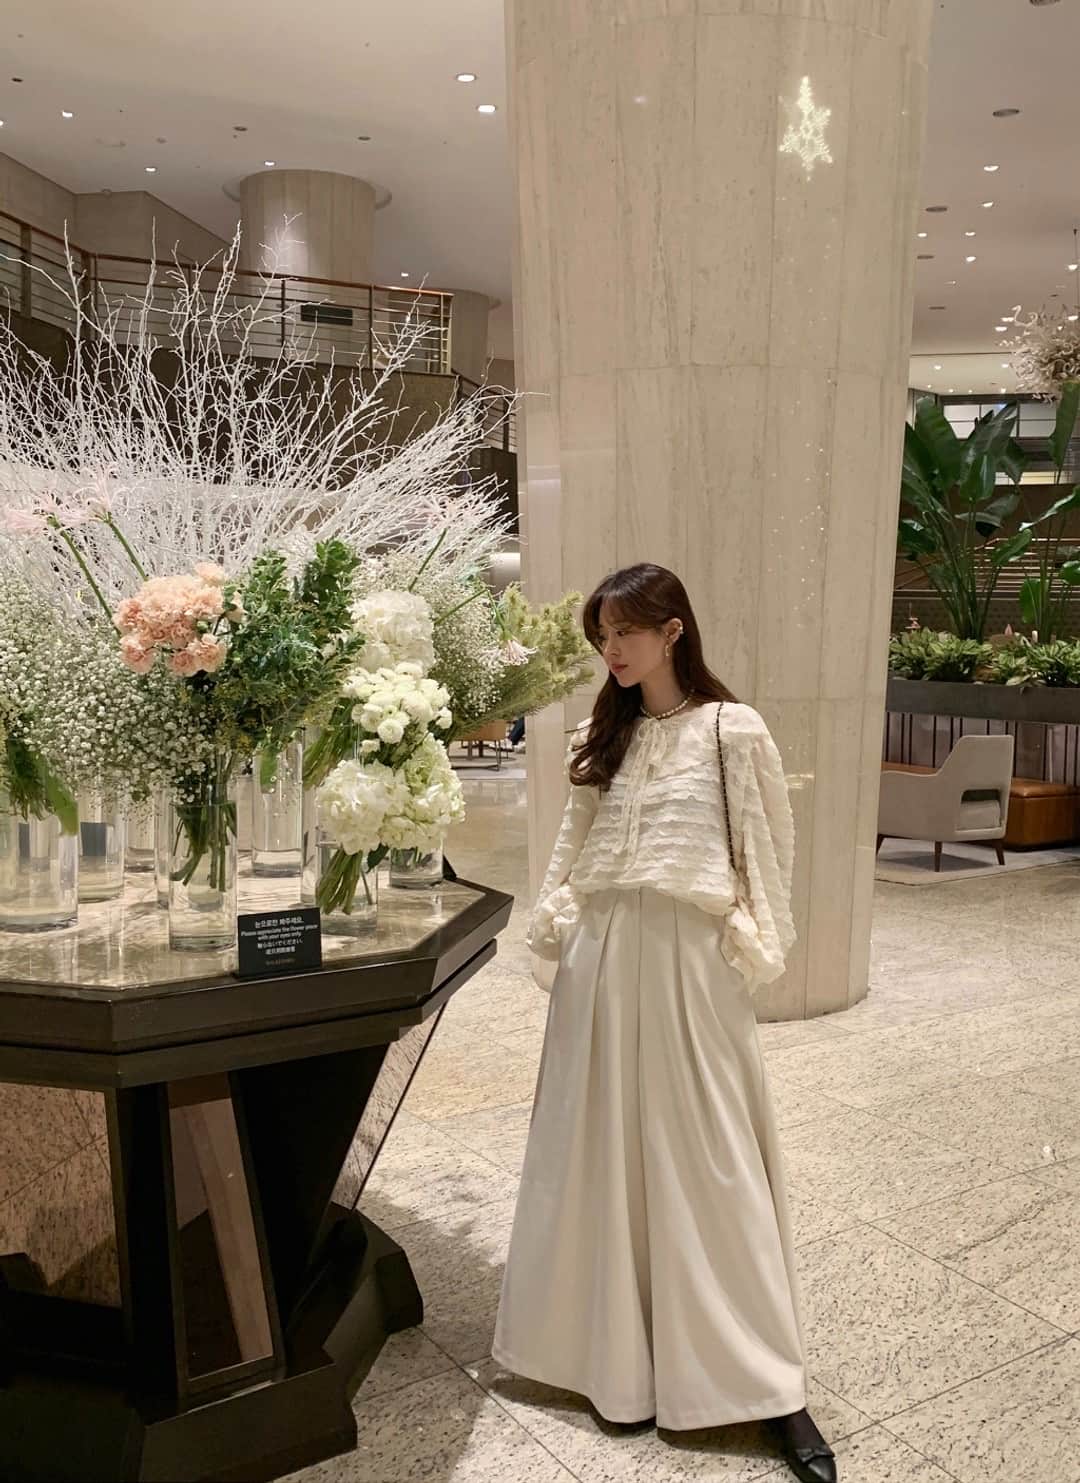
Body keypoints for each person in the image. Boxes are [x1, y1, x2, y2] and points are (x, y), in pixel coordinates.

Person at [492, 564, 836, 1483]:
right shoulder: (600, 734)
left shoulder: (732, 729)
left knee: (713, 1161)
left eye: (626, 632)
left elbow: (766, 847)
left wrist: (753, 945)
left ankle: (769, 1384)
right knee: (596, 1153)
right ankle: (611, 1363)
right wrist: (557, 925)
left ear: (673, 629)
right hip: (601, 956)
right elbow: (572, 846)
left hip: (689, 958)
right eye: (602, 636)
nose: (611, 650)